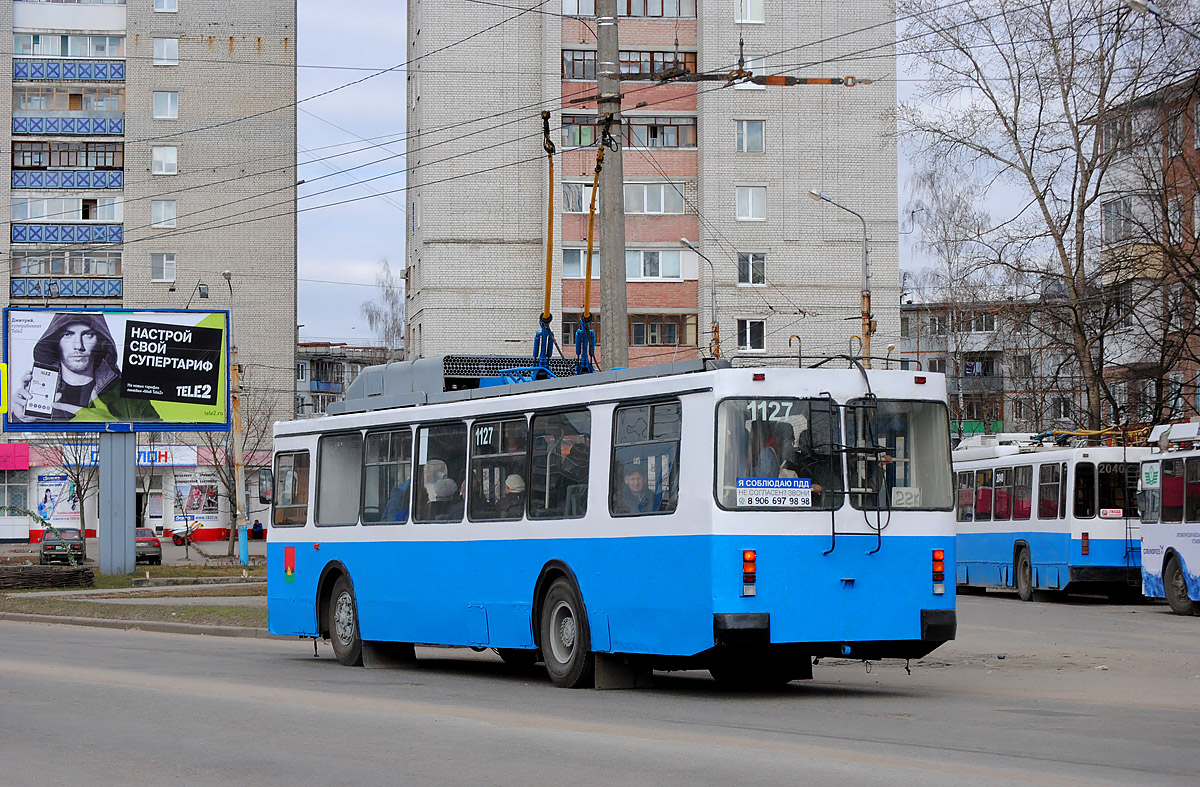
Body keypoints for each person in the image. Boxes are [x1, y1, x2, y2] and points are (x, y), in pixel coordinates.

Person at [10, 313, 159, 423]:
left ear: (101, 342)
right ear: (55, 342)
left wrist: (114, 425)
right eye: (68, 335)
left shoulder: (129, 395)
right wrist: (18, 417)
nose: (78, 346)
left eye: (88, 335)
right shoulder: (37, 395)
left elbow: (157, 437)